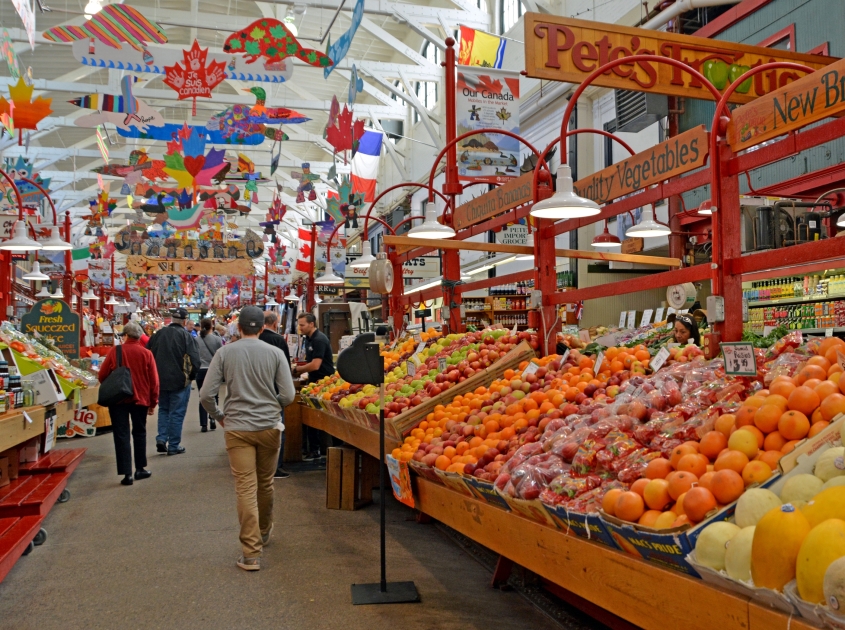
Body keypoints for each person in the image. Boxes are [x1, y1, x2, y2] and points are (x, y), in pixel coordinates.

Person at [200, 306, 296, 571]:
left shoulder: (224, 353)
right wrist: (270, 405)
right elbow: (288, 396)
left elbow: (206, 394)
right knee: (265, 483)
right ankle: (264, 532)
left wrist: (219, 415)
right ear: (262, 328)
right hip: (268, 427)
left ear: (239, 328)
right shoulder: (276, 353)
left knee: (245, 487)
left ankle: (251, 553)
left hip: (237, 428)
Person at [98, 322, 159, 486]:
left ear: (125, 335)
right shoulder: (146, 354)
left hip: (118, 399)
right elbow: (154, 381)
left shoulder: (115, 351)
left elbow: (102, 375)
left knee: (121, 434)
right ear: (140, 336)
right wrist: (153, 402)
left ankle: (127, 474)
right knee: (139, 432)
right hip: (141, 399)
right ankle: (140, 469)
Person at [147, 307, 201, 455]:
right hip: (180, 381)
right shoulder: (186, 337)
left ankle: (161, 438)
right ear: (184, 321)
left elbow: (148, 354)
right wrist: (191, 376)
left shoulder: (158, 334)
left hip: (159, 380)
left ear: (171, 319)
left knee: (164, 409)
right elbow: (195, 360)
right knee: (177, 413)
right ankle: (173, 445)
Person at [293, 312, 334, 461]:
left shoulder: (319, 340)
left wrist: (297, 369)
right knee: (312, 417)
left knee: (317, 417)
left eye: (302, 325)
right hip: (314, 382)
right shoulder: (309, 339)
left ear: (311, 324)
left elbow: (316, 365)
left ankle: (318, 450)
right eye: (299, 324)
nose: (300, 327)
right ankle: (315, 449)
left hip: (324, 383)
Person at [259, 310, 292, 479]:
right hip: (274, 393)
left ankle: (258, 465)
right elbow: (285, 370)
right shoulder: (278, 340)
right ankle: (275, 467)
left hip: (255, 392)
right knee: (277, 430)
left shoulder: (254, 339)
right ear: (274, 323)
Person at [196, 318, 223, 432]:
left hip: (200, 370)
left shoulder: (196, 340)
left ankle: (203, 424)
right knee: (214, 395)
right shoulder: (217, 339)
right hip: (213, 370)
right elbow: (221, 355)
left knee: (202, 396)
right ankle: (212, 418)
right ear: (212, 326)